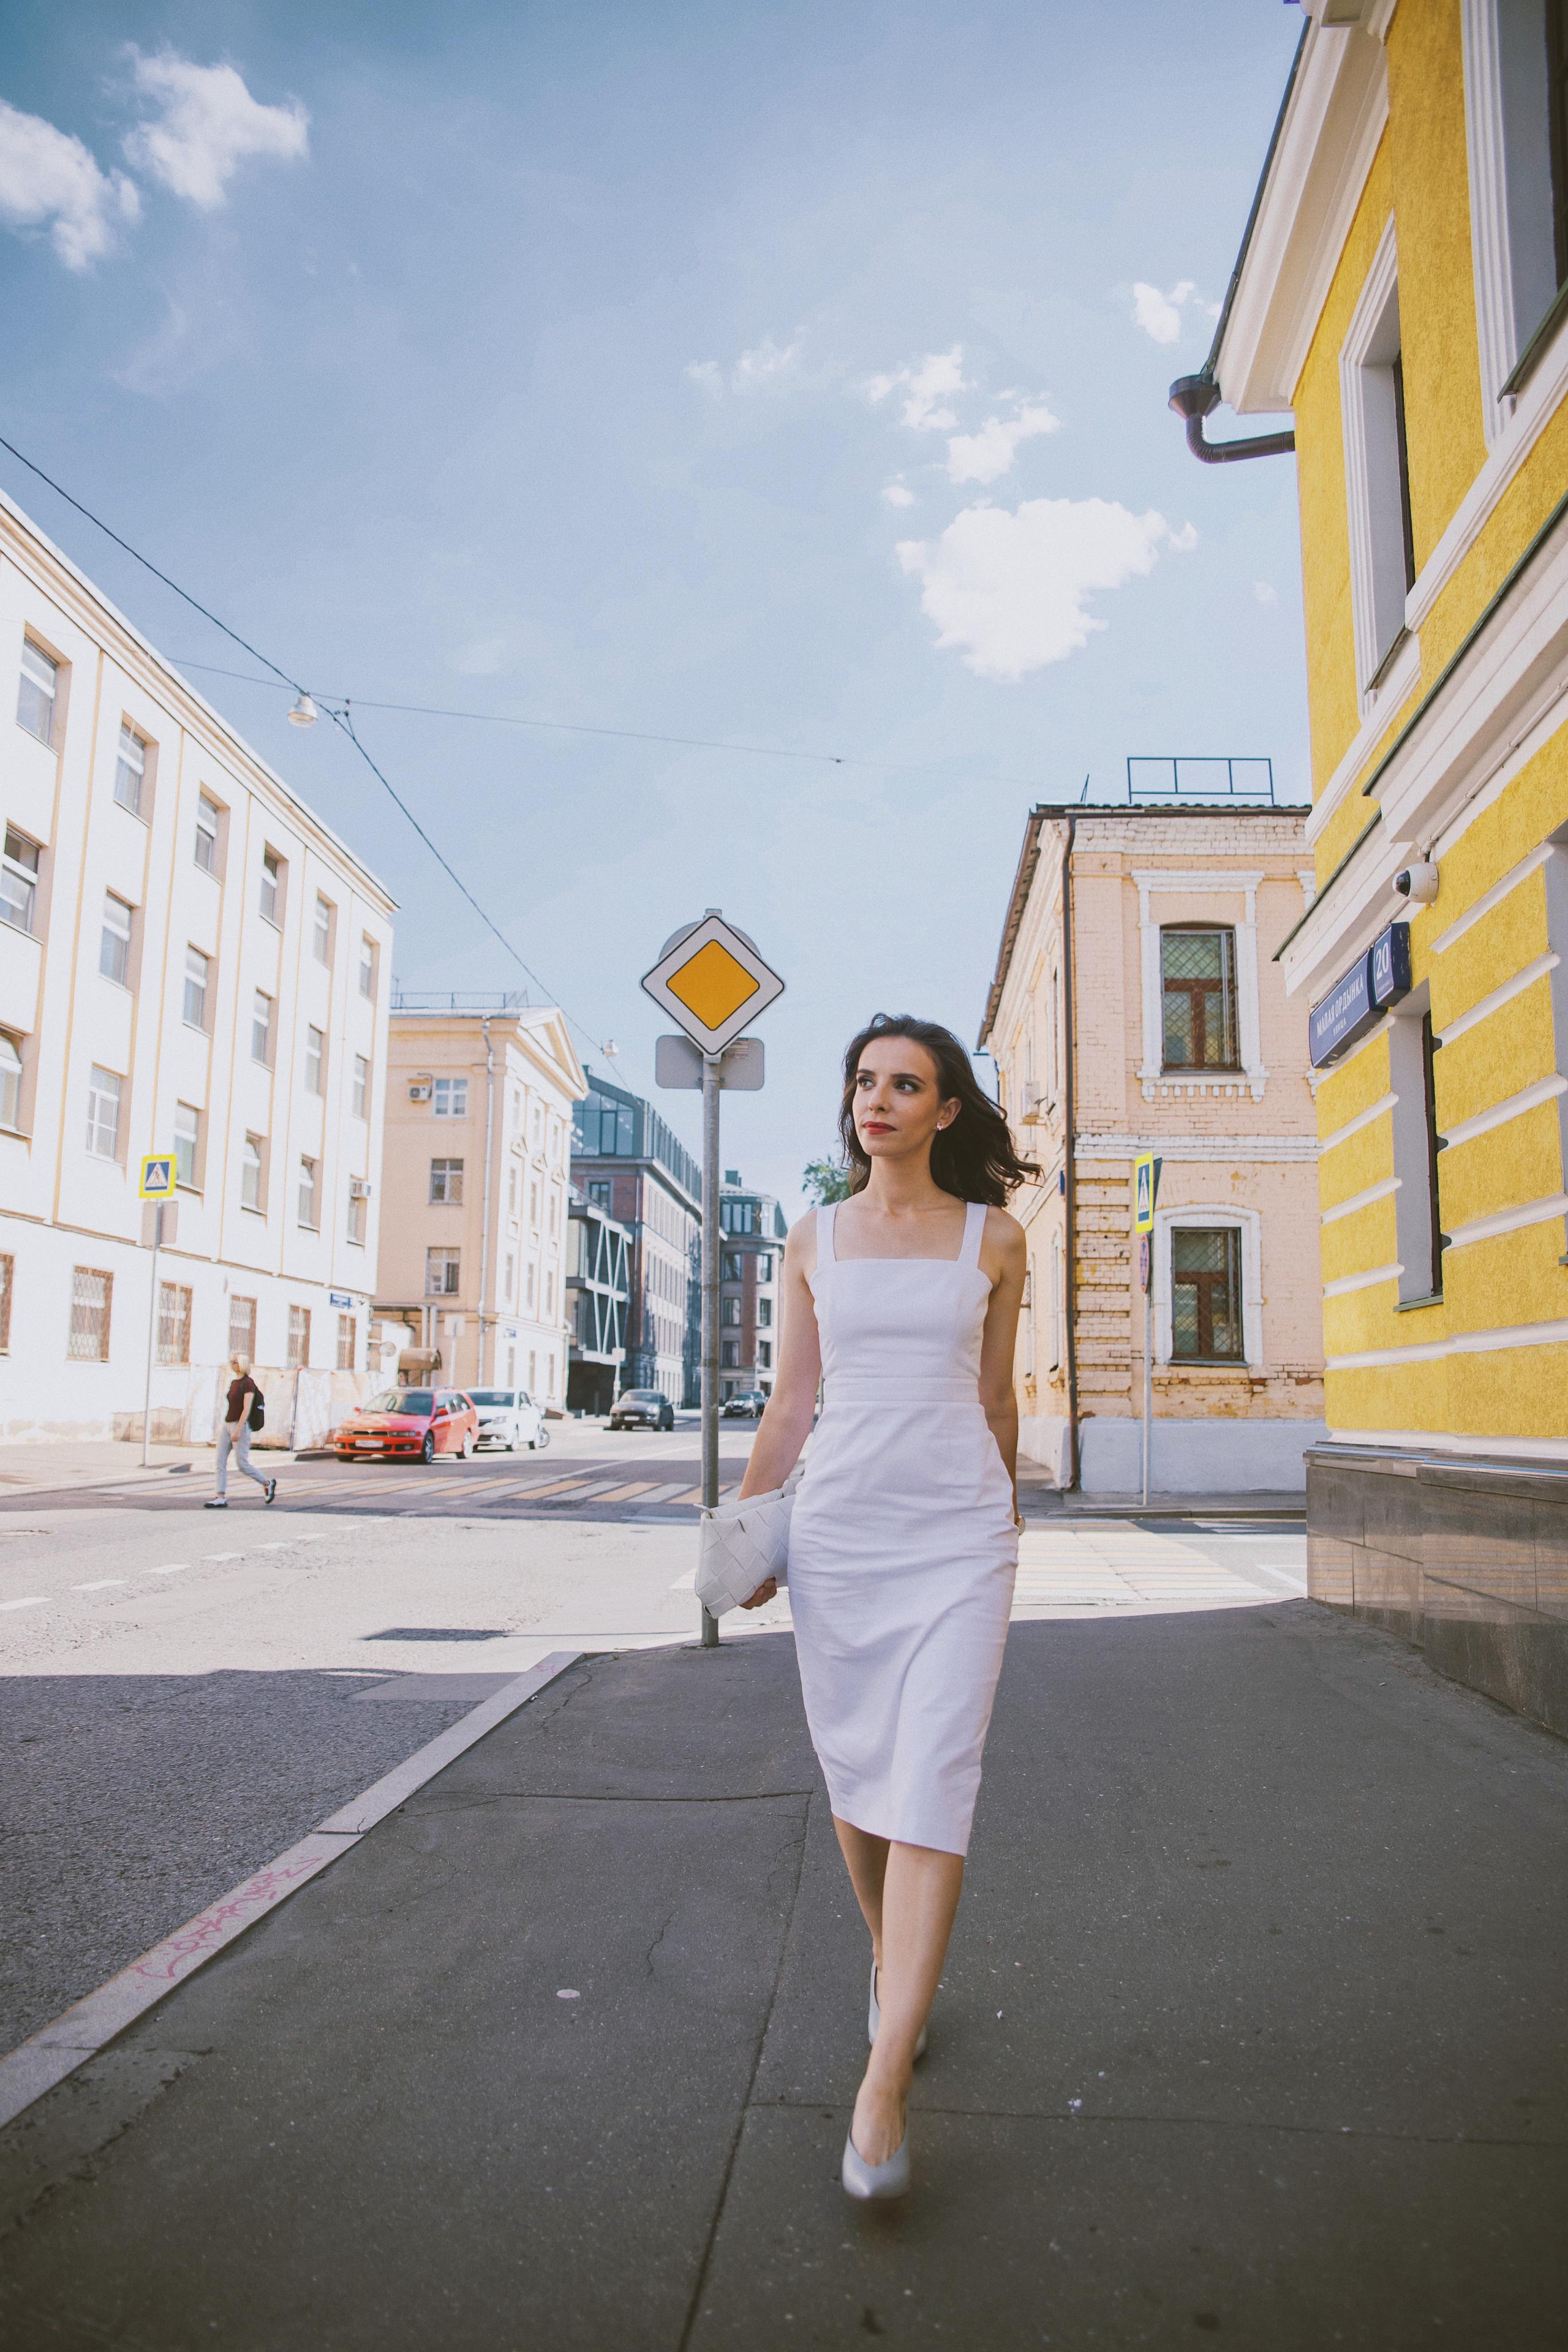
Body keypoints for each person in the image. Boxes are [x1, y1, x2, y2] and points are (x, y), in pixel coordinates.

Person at [734, 1012, 1036, 2201]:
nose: (877, 1100)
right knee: (856, 1766)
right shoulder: (812, 1238)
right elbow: (789, 1403)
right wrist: (750, 1534)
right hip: (844, 1532)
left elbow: (997, 1398)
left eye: (904, 1084)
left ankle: (882, 2082)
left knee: (932, 1778)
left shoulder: (995, 1238)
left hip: (958, 1535)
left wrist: (1004, 1514)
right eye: (864, 1081)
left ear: (945, 1109)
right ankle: (887, 1962)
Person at [206, 1356, 277, 1509]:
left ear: (242, 1364)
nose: (232, 1363)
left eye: (235, 1361)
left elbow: (247, 1408)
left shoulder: (248, 1384)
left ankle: (267, 1483)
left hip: (241, 1426)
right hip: (227, 1425)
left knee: (242, 1463)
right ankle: (220, 1496)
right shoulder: (234, 1383)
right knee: (219, 1462)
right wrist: (228, 1427)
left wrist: (238, 1429)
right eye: (232, 1361)